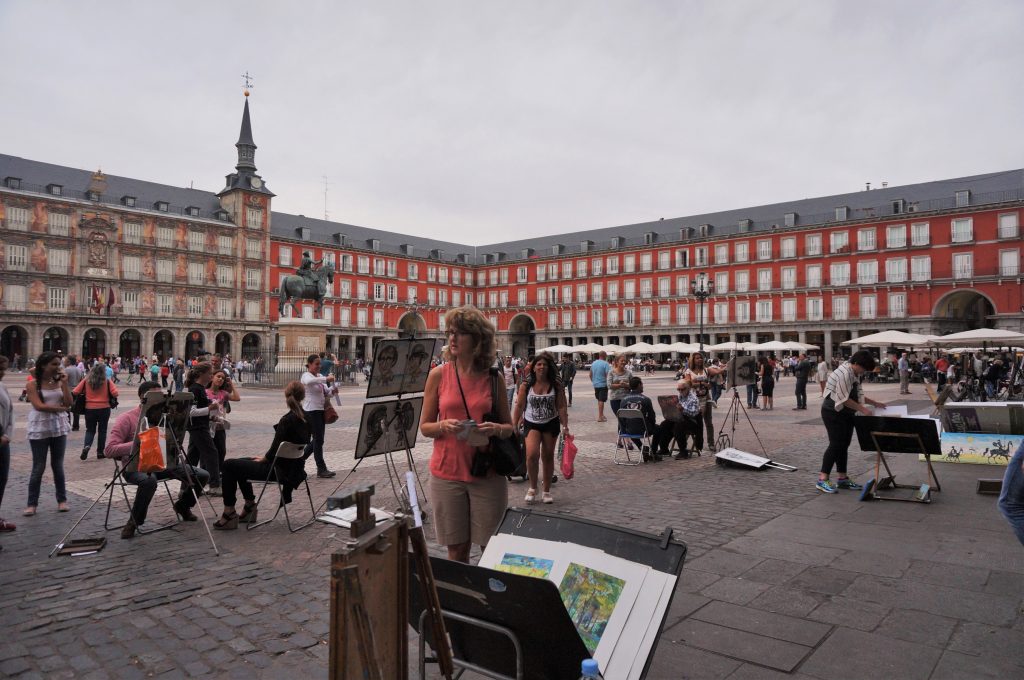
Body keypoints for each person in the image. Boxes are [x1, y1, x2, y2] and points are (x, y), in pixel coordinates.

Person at [420, 306, 513, 562]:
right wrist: (443, 426)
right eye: (450, 332)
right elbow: (425, 426)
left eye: (460, 333)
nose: (452, 338)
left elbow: (510, 427)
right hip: (446, 475)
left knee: (490, 551)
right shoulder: (438, 376)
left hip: (487, 474)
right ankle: (463, 599)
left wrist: (495, 429)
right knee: (457, 550)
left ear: (477, 340)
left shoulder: (494, 379)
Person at [105, 381, 210, 537]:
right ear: (143, 397)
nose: (162, 400)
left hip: (165, 464)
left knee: (202, 475)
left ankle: (183, 506)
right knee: (149, 481)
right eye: (157, 396)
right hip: (136, 467)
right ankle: (134, 521)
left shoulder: (167, 417)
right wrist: (137, 444)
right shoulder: (126, 418)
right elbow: (109, 450)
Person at [214, 381, 310, 529]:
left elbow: (274, 450)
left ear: (286, 394)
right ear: (303, 396)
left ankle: (230, 513)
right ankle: (249, 506)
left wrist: (264, 458)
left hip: (278, 471)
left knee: (228, 465)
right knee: (241, 462)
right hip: (294, 469)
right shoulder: (307, 418)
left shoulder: (287, 420)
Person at [817, 350, 887, 494]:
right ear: (855, 363)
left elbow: (855, 395)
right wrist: (863, 409)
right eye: (863, 368)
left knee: (844, 444)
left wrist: (874, 403)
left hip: (845, 412)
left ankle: (842, 478)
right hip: (833, 412)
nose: (863, 372)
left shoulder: (852, 373)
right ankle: (822, 479)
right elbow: (844, 399)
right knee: (836, 444)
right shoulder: (844, 373)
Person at [513, 352, 570, 503]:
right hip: (531, 422)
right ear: (533, 368)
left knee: (548, 456)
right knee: (531, 455)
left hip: (550, 422)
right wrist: (514, 423)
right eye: (539, 364)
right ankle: (532, 487)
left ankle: (546, 490)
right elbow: (519, 406)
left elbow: (562, 406)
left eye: (544, 364)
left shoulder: (556, 385)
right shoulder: (526, 385)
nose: (542, 367)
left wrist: (565, 426)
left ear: (548, 367)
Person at [25, 352, 73, 515]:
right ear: (43, 365)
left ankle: (62, 500)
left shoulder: (59, 382)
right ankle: (32, 504)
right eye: (54, 364)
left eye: (59, 364)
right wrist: (60, 410)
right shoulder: (33, 384)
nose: (57, 367)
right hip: (40, 426)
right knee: (38, 466)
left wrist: (65, 384)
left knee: (57, 465)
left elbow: (69, 402)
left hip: (58, 426)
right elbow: (39, 406)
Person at [184, 362, 223, 493]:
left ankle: (186, 487)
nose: (211, 377)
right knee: (212, 453)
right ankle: (214, 485)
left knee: (192, 458)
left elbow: (200, 410)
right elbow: (191, 412)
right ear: (202, 374)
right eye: (209, 374)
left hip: (201, 424)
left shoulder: (200, 388)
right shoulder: (195, 389)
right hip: (198, 427)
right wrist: (210, 408)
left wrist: (211, 416)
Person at [301, 354, 337, 478]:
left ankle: (299, 459)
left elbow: (326, 393)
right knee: (318, 439)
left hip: (320, 410)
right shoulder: (306, 376)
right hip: (311, 411)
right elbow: (309, 382)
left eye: (319, 364)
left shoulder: (321, 376)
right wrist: (326, 379)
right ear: (309, 364)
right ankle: (321, 468)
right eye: (316, 364)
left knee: (318, 439)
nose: (319, 366)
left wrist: (333, 390)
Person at [73, 363, 119, 461]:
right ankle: (100, 452)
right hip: (104, 408)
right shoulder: (107, 381)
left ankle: (87, 446)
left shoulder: (86, 380)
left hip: (89, 409)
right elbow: (115, 393)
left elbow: (75, 391)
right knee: (102, 431)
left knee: (90, 430)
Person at [205, 370, 241, 495]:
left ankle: (217, 476)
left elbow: (237, 398)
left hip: (220, 427)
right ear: (212, 377)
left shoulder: (223, 393)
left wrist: (231, 384)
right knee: (208, 454)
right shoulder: (205, 393)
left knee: (221, 452)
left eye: (223, 378)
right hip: (208, 427)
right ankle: (207, 480)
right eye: (218, 376)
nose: (220, 379)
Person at [685, 353, 724, 454]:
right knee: (694, 421)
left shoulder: (706, 370)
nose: (699, 360)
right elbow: (688, 384)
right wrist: (703, 384)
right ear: (692, 360)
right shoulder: (688, 371)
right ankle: (684, 442)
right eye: (697, 358)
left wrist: (726, 366)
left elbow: (718, 371)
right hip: (694, 400)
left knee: (709, 422)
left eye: (701, 358)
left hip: (706, 397)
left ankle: (711, 443)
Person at [618, 377, 660, 462]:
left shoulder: (623, 400)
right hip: (643, 429)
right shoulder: (646, 399)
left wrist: (623, 429)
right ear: (639, 385)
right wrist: (651, 425)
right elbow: (652, 416)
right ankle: (653, 453)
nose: (643, 386)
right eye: (642, 384)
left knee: (632, 425)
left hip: (627, 430)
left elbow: (621, 419)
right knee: (659, 429)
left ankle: (641, 447)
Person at [0, 357, 15, 540]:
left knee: (1, 480)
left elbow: (10, 412)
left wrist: (7, 434)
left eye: (4, 368)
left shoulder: (2, 386)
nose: (3, 372)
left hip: (3, 441)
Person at [64, 354, 85, 432]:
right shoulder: (79, 370)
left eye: (65, 360)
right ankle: (76, 426)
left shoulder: (66, 370)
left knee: (67, 409)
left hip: (69, 391)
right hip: (77, 391)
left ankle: (68, 424)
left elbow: (64, 381)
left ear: (69, 361)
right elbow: (82, 380)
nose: (64, 362)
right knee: (76, 409)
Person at [589, 351, 611, 422]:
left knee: (599, 400)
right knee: (601, 400)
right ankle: (600, 416)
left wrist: (593, 381)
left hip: (596, 385)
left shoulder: (594, 363)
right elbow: (608, 375)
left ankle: (601, 414)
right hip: (603, 384)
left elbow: (590, 374)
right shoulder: (606, 364)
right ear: (604, 356)